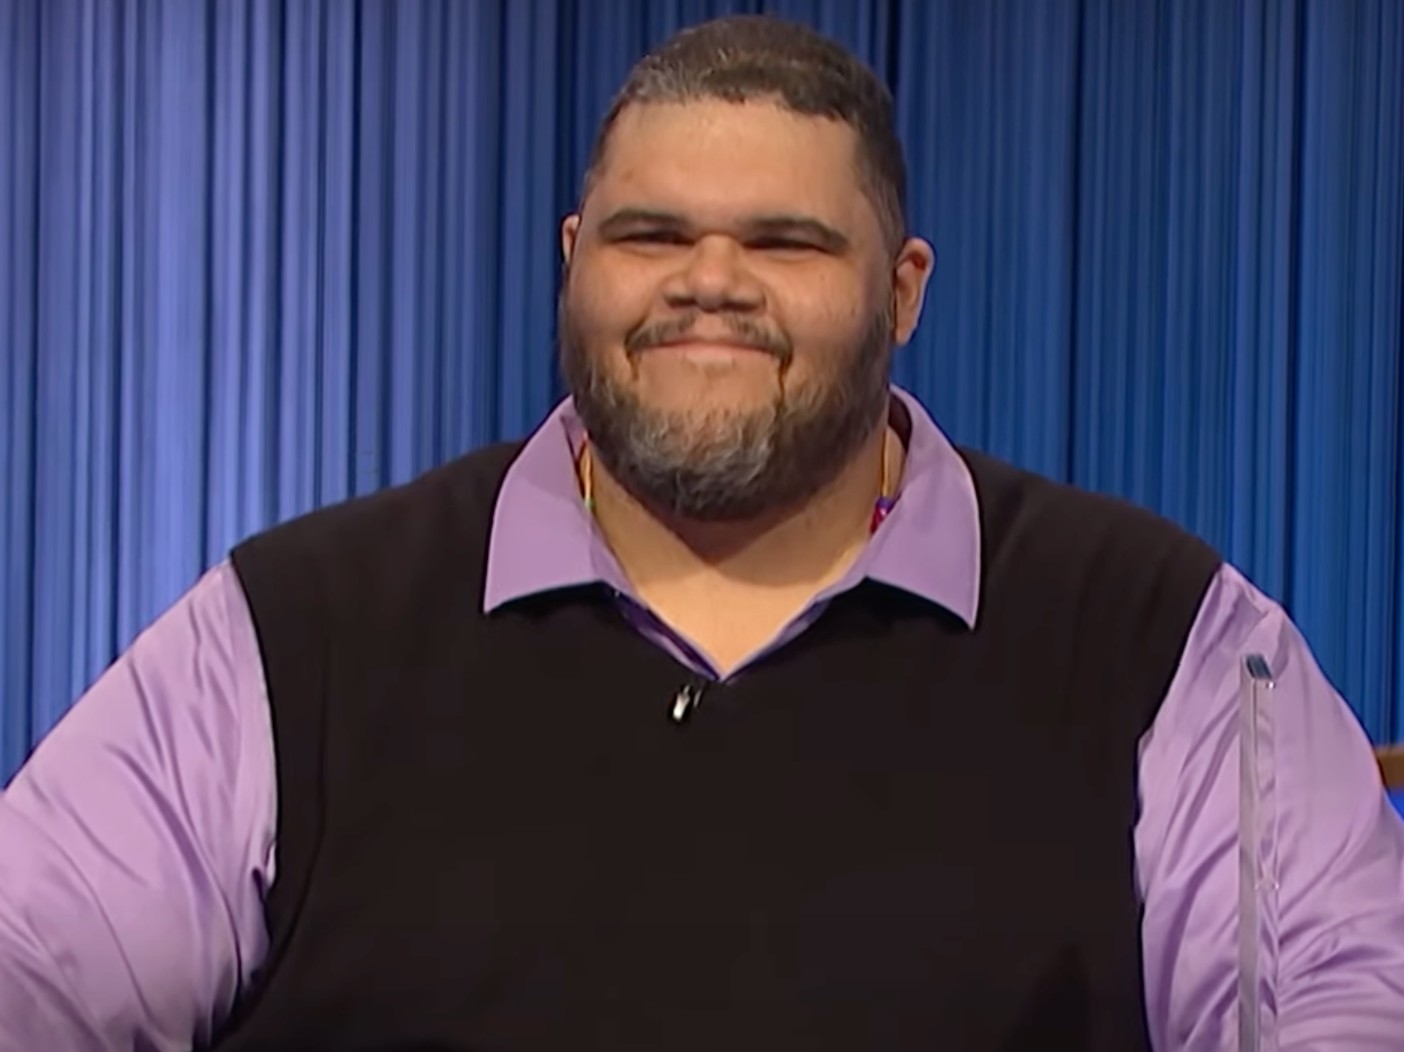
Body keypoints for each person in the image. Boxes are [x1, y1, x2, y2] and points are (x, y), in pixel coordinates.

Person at [2, 14, 1402, 1052]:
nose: (710, 284)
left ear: (904, 291)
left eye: (787, 243)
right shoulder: (293, 631)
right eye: (650, 236)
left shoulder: (1166, 638)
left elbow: (1341, 1007)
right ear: (571, 262)